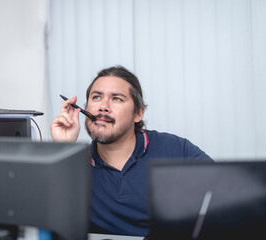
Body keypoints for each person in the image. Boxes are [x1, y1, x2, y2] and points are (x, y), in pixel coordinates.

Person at [50, 65, 212, 237]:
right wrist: (64, 147)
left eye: (117, 99)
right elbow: (50, 220)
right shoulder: (73, 166)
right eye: (96, 97)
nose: (103, 107)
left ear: (138, 114)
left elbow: (223, 195)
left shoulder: (176, 149)